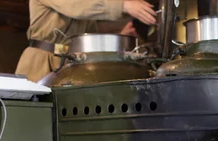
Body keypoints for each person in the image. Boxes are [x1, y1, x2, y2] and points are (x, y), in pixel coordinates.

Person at [16, 0, 157, 82]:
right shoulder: (80, 4)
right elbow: (75, 6)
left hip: (69, 63)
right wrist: (123, 5)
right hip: (40, 62)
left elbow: (87, 32)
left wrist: (118, 35)